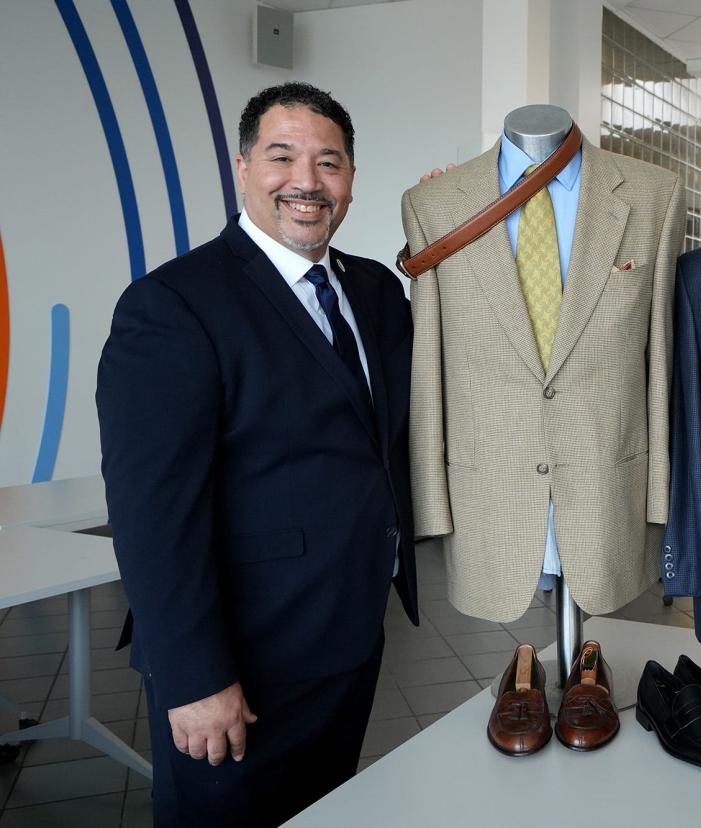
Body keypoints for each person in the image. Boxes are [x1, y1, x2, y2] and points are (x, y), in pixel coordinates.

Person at [96, 82, 417, 826]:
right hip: (240, 655)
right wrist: (194, 677)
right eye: (282, 157)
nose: (306, 181)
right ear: (242, 167)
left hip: (348, 633)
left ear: (351, 179)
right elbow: (153, 514)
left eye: (329, 162)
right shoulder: (173, 306)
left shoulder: (374, 292)